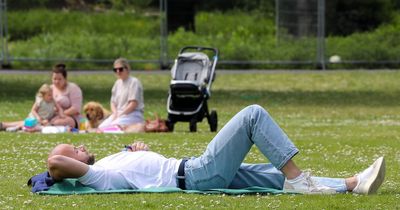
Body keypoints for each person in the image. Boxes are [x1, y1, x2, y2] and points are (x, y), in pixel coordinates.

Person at [47, 105, 386, 195]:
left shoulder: (106, 164)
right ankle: (298, 179)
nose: (80, 146)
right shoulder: (97, 176)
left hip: (192, 172)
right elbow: (55, 163)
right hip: (195, 174)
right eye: (75, 149)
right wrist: (60, 160)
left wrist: (138, 151)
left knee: (270, 175)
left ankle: (353, 183)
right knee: (252, 115)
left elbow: (137, 171)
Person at [98, 58, 145, 133]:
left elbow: (133, 103)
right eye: (115, 70)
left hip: (132, 114)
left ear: (127, 69)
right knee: (101, 127)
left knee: (113, 126)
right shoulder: (117, 83)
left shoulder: (134, 82)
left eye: (120, 69)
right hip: (119, 113)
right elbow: (113, 102)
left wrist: (121, 114)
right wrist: (115, 113)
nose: (118, 72)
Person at [0, 84, 66, 132]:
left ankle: (16, 128)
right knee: (29, 124)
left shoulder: (52, 100)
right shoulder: (40, 101)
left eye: (51, 94)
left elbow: (59, 108)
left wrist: (61, 114)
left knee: (36, 126)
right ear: (43, 95)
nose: (51, 96)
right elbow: (33, 110)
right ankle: (14, 127)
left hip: (44, 119)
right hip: (35, 117)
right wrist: (37, 117)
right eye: (49, 95)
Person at [50, 63, 83, 129]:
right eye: (54, 79)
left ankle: (48, 126)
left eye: (59, 79)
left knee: (59, 122)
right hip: (51, 115)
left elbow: (75, 108)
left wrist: (60, 114)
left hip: (70, 117)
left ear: (65, 79)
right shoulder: (50, 88)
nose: (57, 81)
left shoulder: (73, 88)